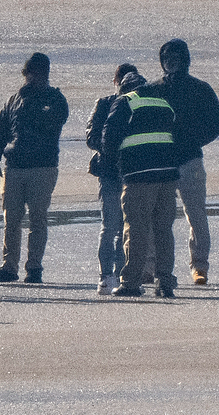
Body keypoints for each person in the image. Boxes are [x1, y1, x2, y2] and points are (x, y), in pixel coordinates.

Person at [0, 52, 69, 284]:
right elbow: (1, 130)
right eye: (28, 73)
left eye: (36, 73)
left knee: (37, 219)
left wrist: (33, 100)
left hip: (43, 167)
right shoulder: (14, 100)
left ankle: (34, 267)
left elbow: (51, 125)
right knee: (11, 219)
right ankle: (9, 267)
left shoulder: (55, 99)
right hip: (14, 167)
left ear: (45, 74)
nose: (31, 78)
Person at [106, 69, 180, 298]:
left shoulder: (126, 102)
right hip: (168, 176)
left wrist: (111, 168)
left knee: (136, 230)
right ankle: (165, 282)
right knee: (163, 231)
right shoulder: (163, 103)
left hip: (139, 175)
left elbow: (109, 138)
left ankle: (130, 282)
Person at [156, 38, 219, 285]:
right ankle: (152, 266)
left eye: (175, 57)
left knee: (196, 215)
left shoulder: (200, 89)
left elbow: (217, 124)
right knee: (158, 217)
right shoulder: (155, 89)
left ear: (185, 60)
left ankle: (200, 266)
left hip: (190, 161)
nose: (170, 62)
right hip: (161, 162)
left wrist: (193, 141)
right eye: (166, 58)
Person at [84, 62, 141, 294]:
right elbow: (91, 136)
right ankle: (107, 275)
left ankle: (118, 274)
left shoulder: (136, 104)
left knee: (123, 227)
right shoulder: (105, 103)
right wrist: (113, 150)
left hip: (129, 172)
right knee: (111, 226)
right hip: (110, 172)